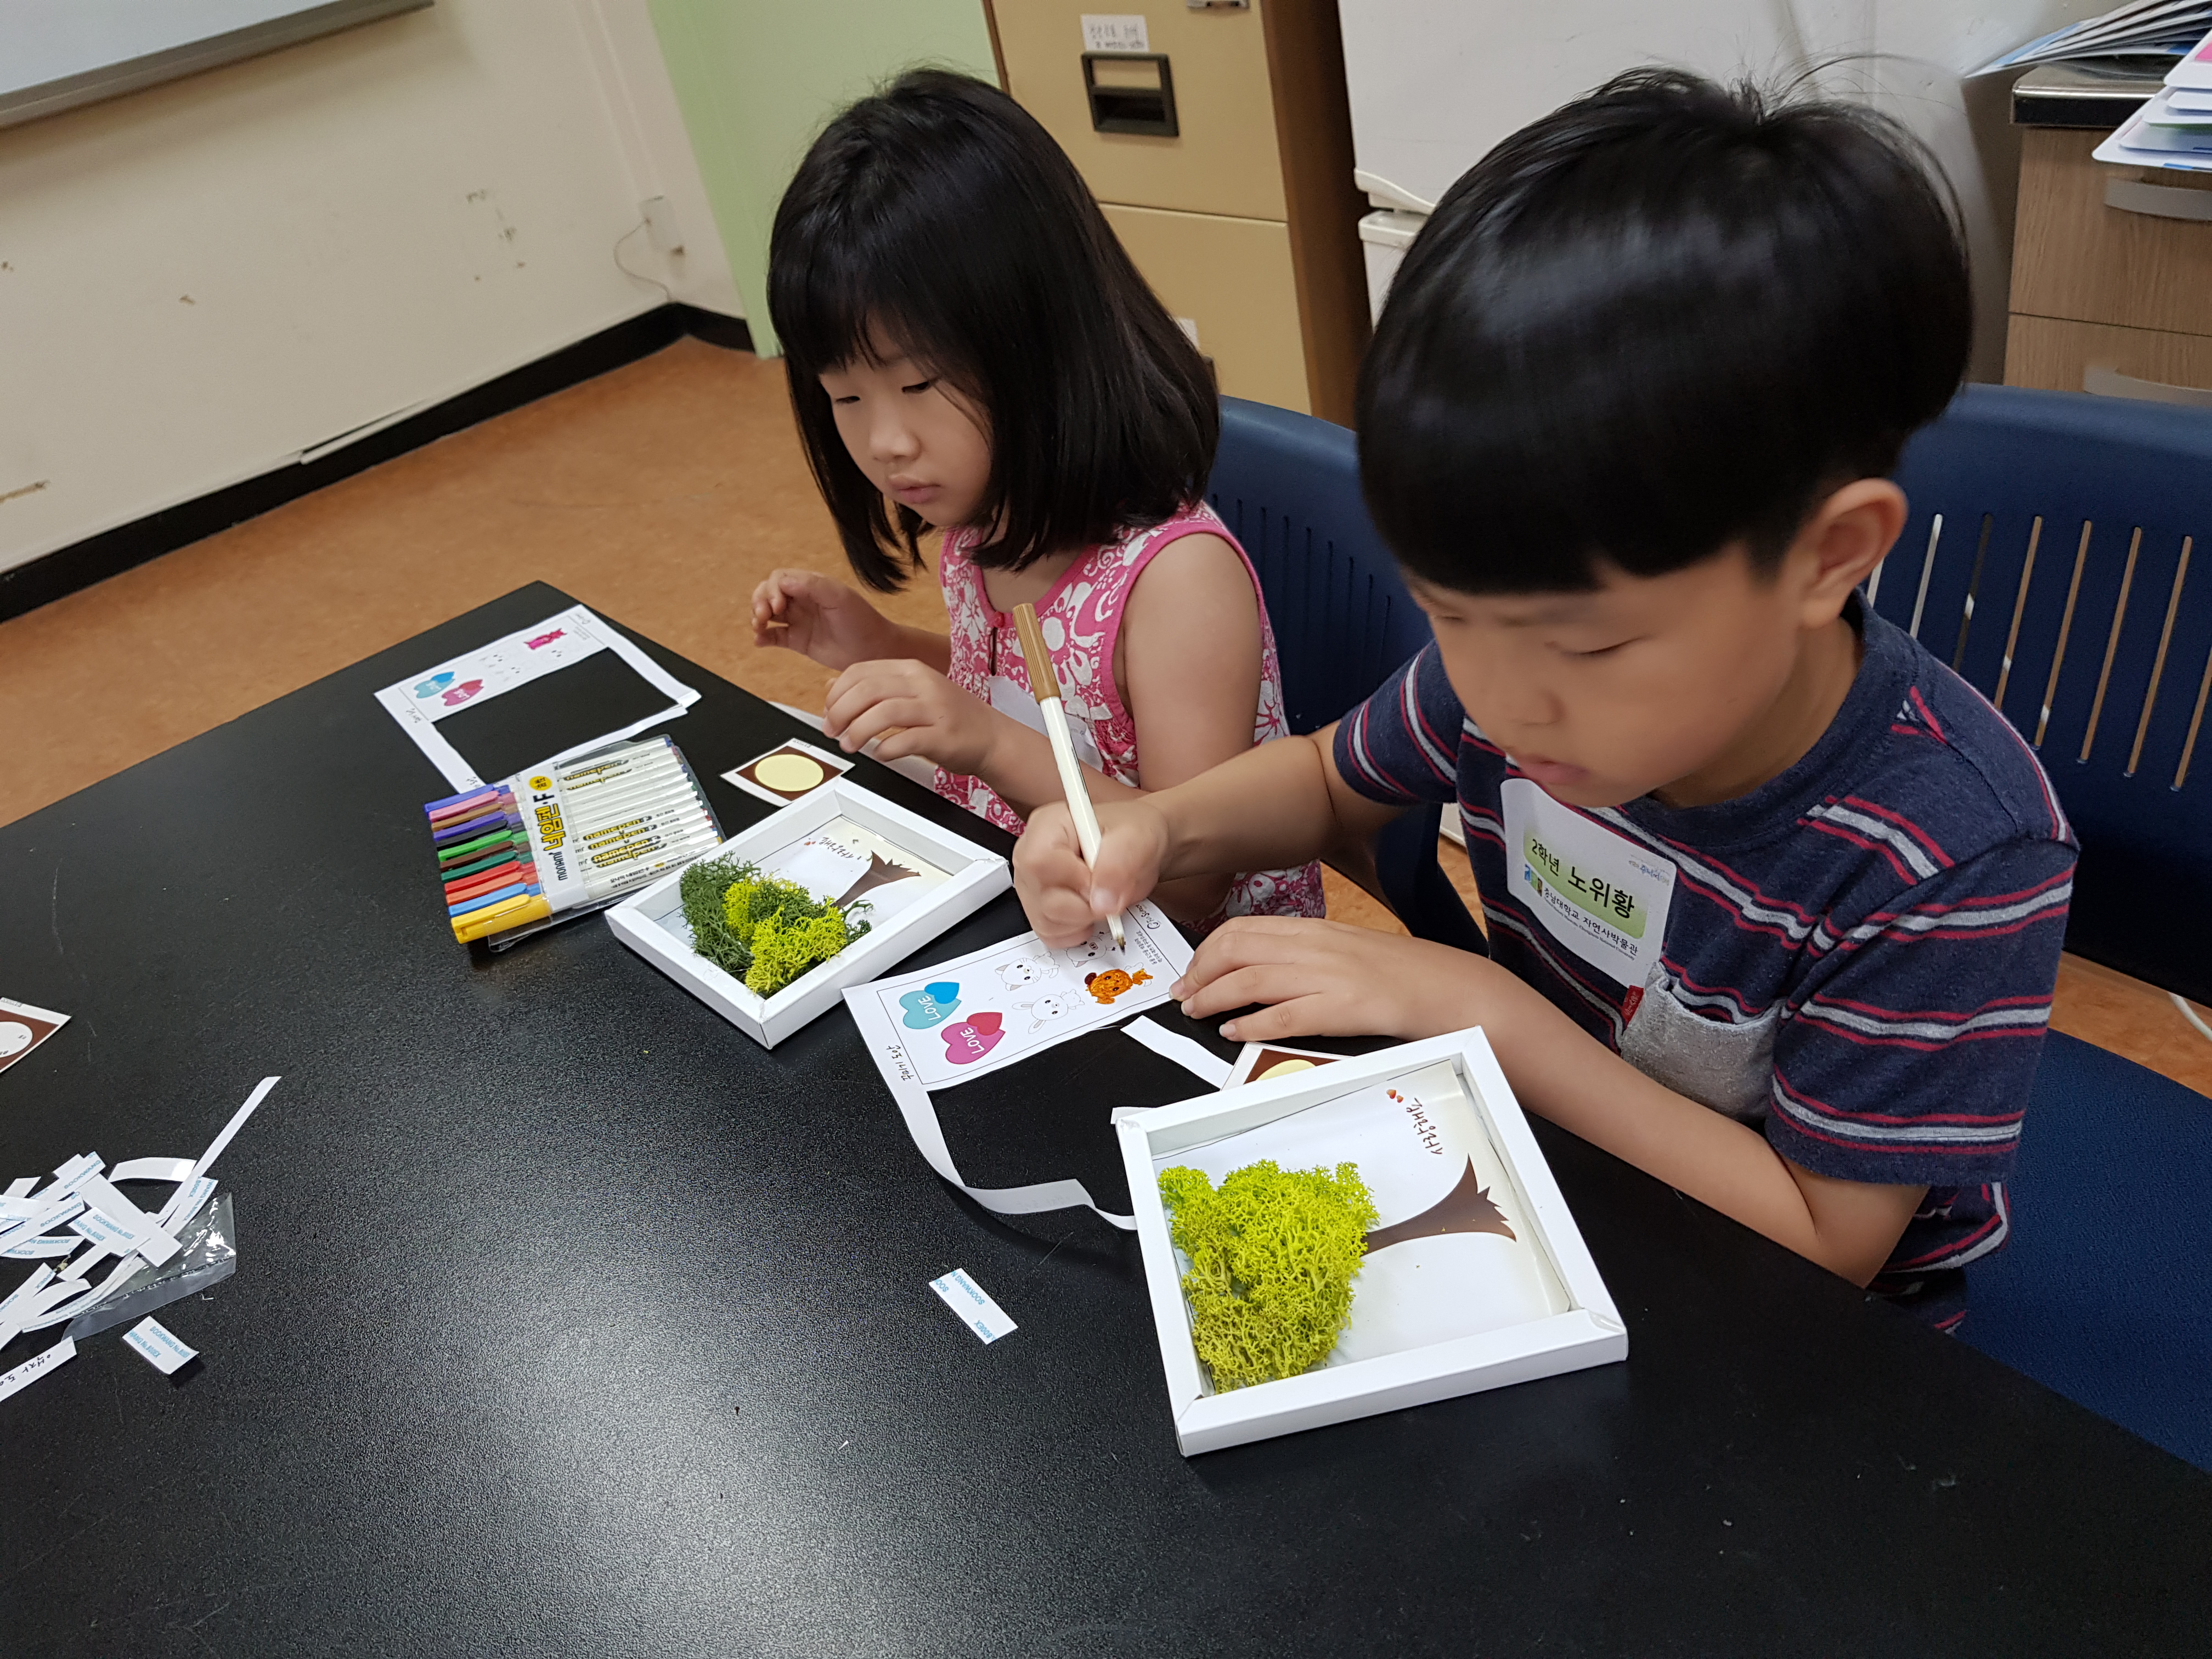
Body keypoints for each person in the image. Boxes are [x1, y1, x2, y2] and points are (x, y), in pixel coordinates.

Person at [1012, 70, 2076, 1324]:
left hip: (1785, 1319)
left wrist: (1479, 1010)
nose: (1503, 703)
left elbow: (1825, 1238)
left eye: (1585, 647)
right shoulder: (1509, 670)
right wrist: (1156, 827)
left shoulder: (1949, 845)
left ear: (1827, 557)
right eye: (1449, 614)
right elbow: (1321, 780)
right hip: (1536, 1181)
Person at [750, 70, 1322, 930]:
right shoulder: (980, 519)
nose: (885, 443)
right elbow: (1036, 696)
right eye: (846, 396)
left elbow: (1190, 881)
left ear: (1043, 343)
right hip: (1039, 909)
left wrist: (984, 744)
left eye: (918, 382)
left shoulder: (1178, 581)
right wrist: (883, 646)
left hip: (1199, 971)